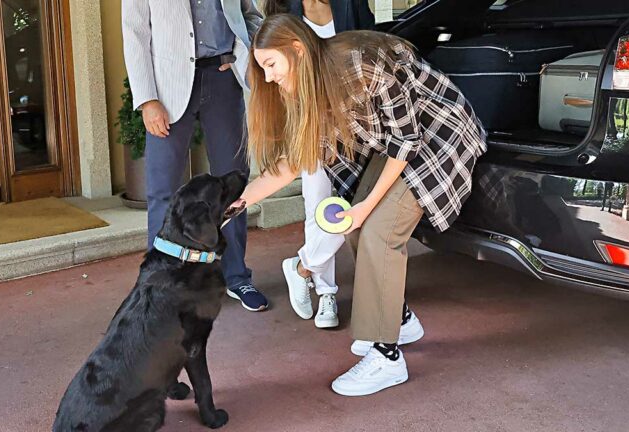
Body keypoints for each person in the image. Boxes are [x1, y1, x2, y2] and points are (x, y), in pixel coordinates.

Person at [234, 14, 487, 395]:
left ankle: (387, 359)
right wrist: (237, 203)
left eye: (271, 64)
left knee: (380, 231)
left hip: (439, 135)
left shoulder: (362, 65)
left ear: (297, 50)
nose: (267, 77)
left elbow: (406, 141)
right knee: (351, 224)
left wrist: (367, 207)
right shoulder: (305, 87)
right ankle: (398, 320)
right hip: (396, 147)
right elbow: (292, 162)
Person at [122, 0, 268, 311]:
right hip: (168, 89)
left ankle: (236, 276)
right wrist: (147, 100)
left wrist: (247, 55)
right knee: (162, 189)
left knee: (234, 183)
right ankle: (160, 283)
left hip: (223, 78)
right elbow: (134, 32)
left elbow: (250, 15)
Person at [258, 1, 379, 331]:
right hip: (310, 121)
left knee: (353, 208)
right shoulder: (285, 10)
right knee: (319, 207)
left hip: (354, 121)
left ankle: (302, 267)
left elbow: (368, 42)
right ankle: (326, 291)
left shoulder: (350, 4)